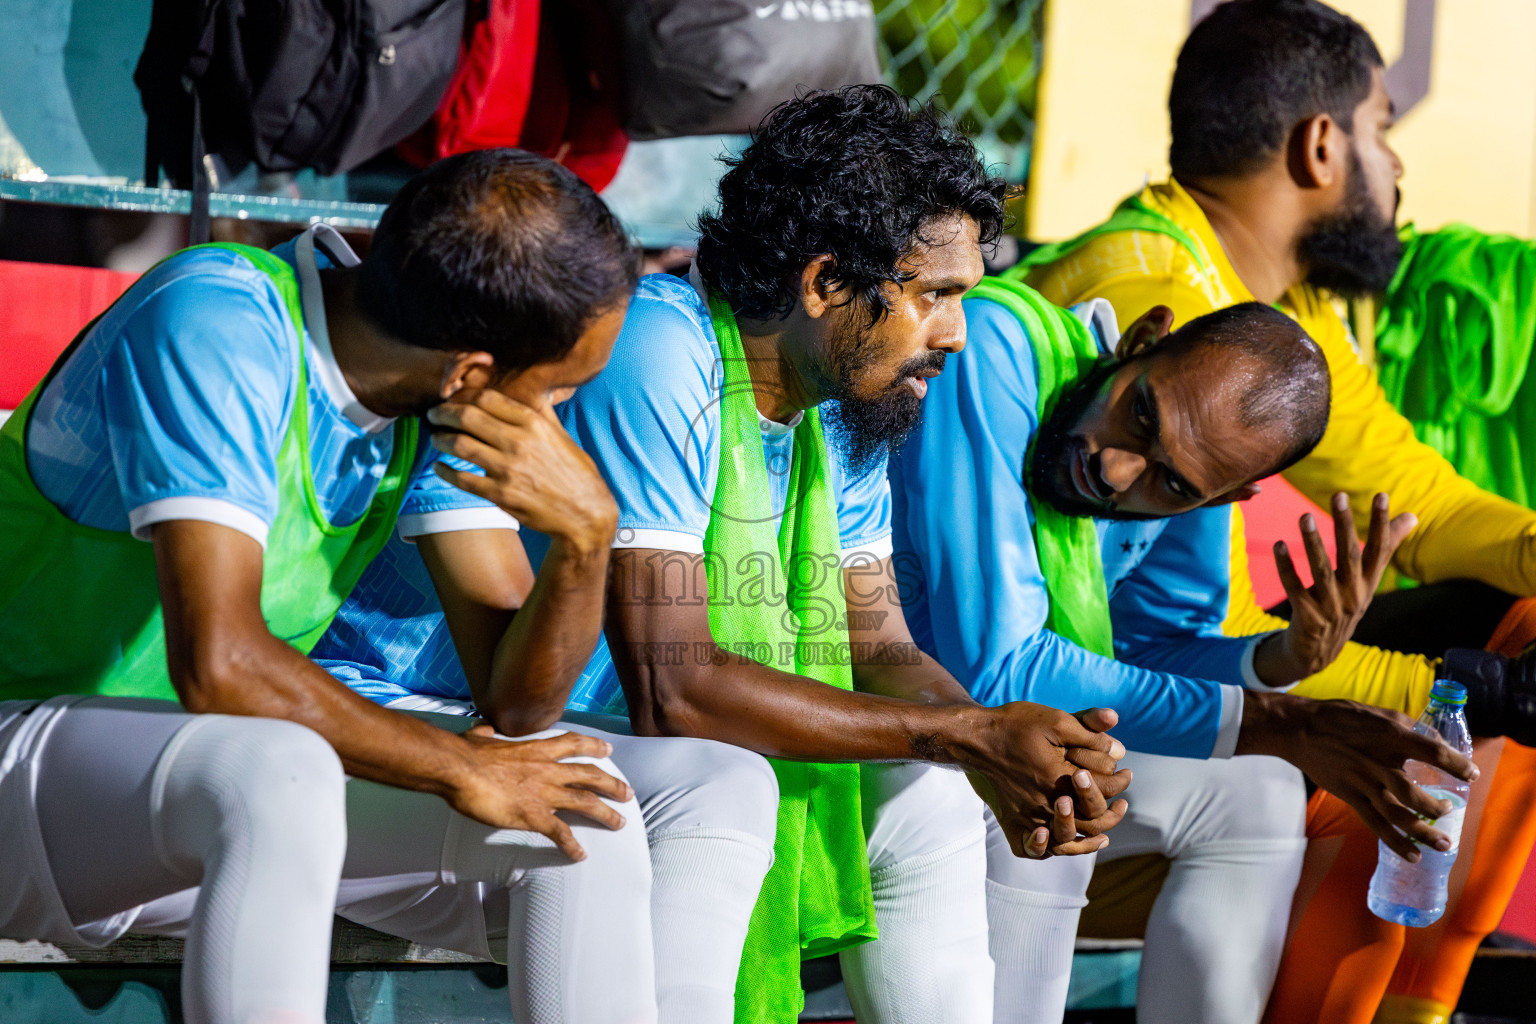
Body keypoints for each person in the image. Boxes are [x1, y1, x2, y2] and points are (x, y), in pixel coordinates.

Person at [0, 150, 667, 1024]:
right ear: (472, 373)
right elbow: (223, 667)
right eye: (563, 389)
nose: (558, 422)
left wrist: (587, 539)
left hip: (178, 807)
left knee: (584, 822)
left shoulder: (423, 400)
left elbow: (518, 706)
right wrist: (454, 764)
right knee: (275, 768)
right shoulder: (217, 318)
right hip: (28, 747)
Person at [515, 85, 1133, 1024]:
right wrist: (965, 737)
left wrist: (1005, 751)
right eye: (935, 296)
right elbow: (672, 689)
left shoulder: (844, 404)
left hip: (658, 752)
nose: (957, 333)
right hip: (514, 724)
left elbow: (881, 648)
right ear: (826, 283)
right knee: (724, 788)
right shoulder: (661, 346)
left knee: (931, 796)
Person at [1020, 2, 1536, 1021]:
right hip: (1045, 742)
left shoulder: (1262, 302)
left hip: (1152, 696)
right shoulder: (1157, 299)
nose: (1398, 170)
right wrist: (1453, 686)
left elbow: (1420, 504)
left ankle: (1416, 1004)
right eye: (1384, 129)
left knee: (1510, 640)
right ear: (1321, 145)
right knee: (1398, 740)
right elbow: (1129, 646)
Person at [890, 273, 1477, 1024]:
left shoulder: (1198, 476)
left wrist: (1281, 663)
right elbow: (998, 668)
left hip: (992, 749)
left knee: (1255, 792)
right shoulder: (1001, 346)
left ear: (1222, 500)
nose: (1114, 468)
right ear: (1143, 340)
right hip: (879, 716)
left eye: (1171, 484)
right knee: (1066, 769)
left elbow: (1148, 647)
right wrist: (1283, 721)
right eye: (1140, 413)